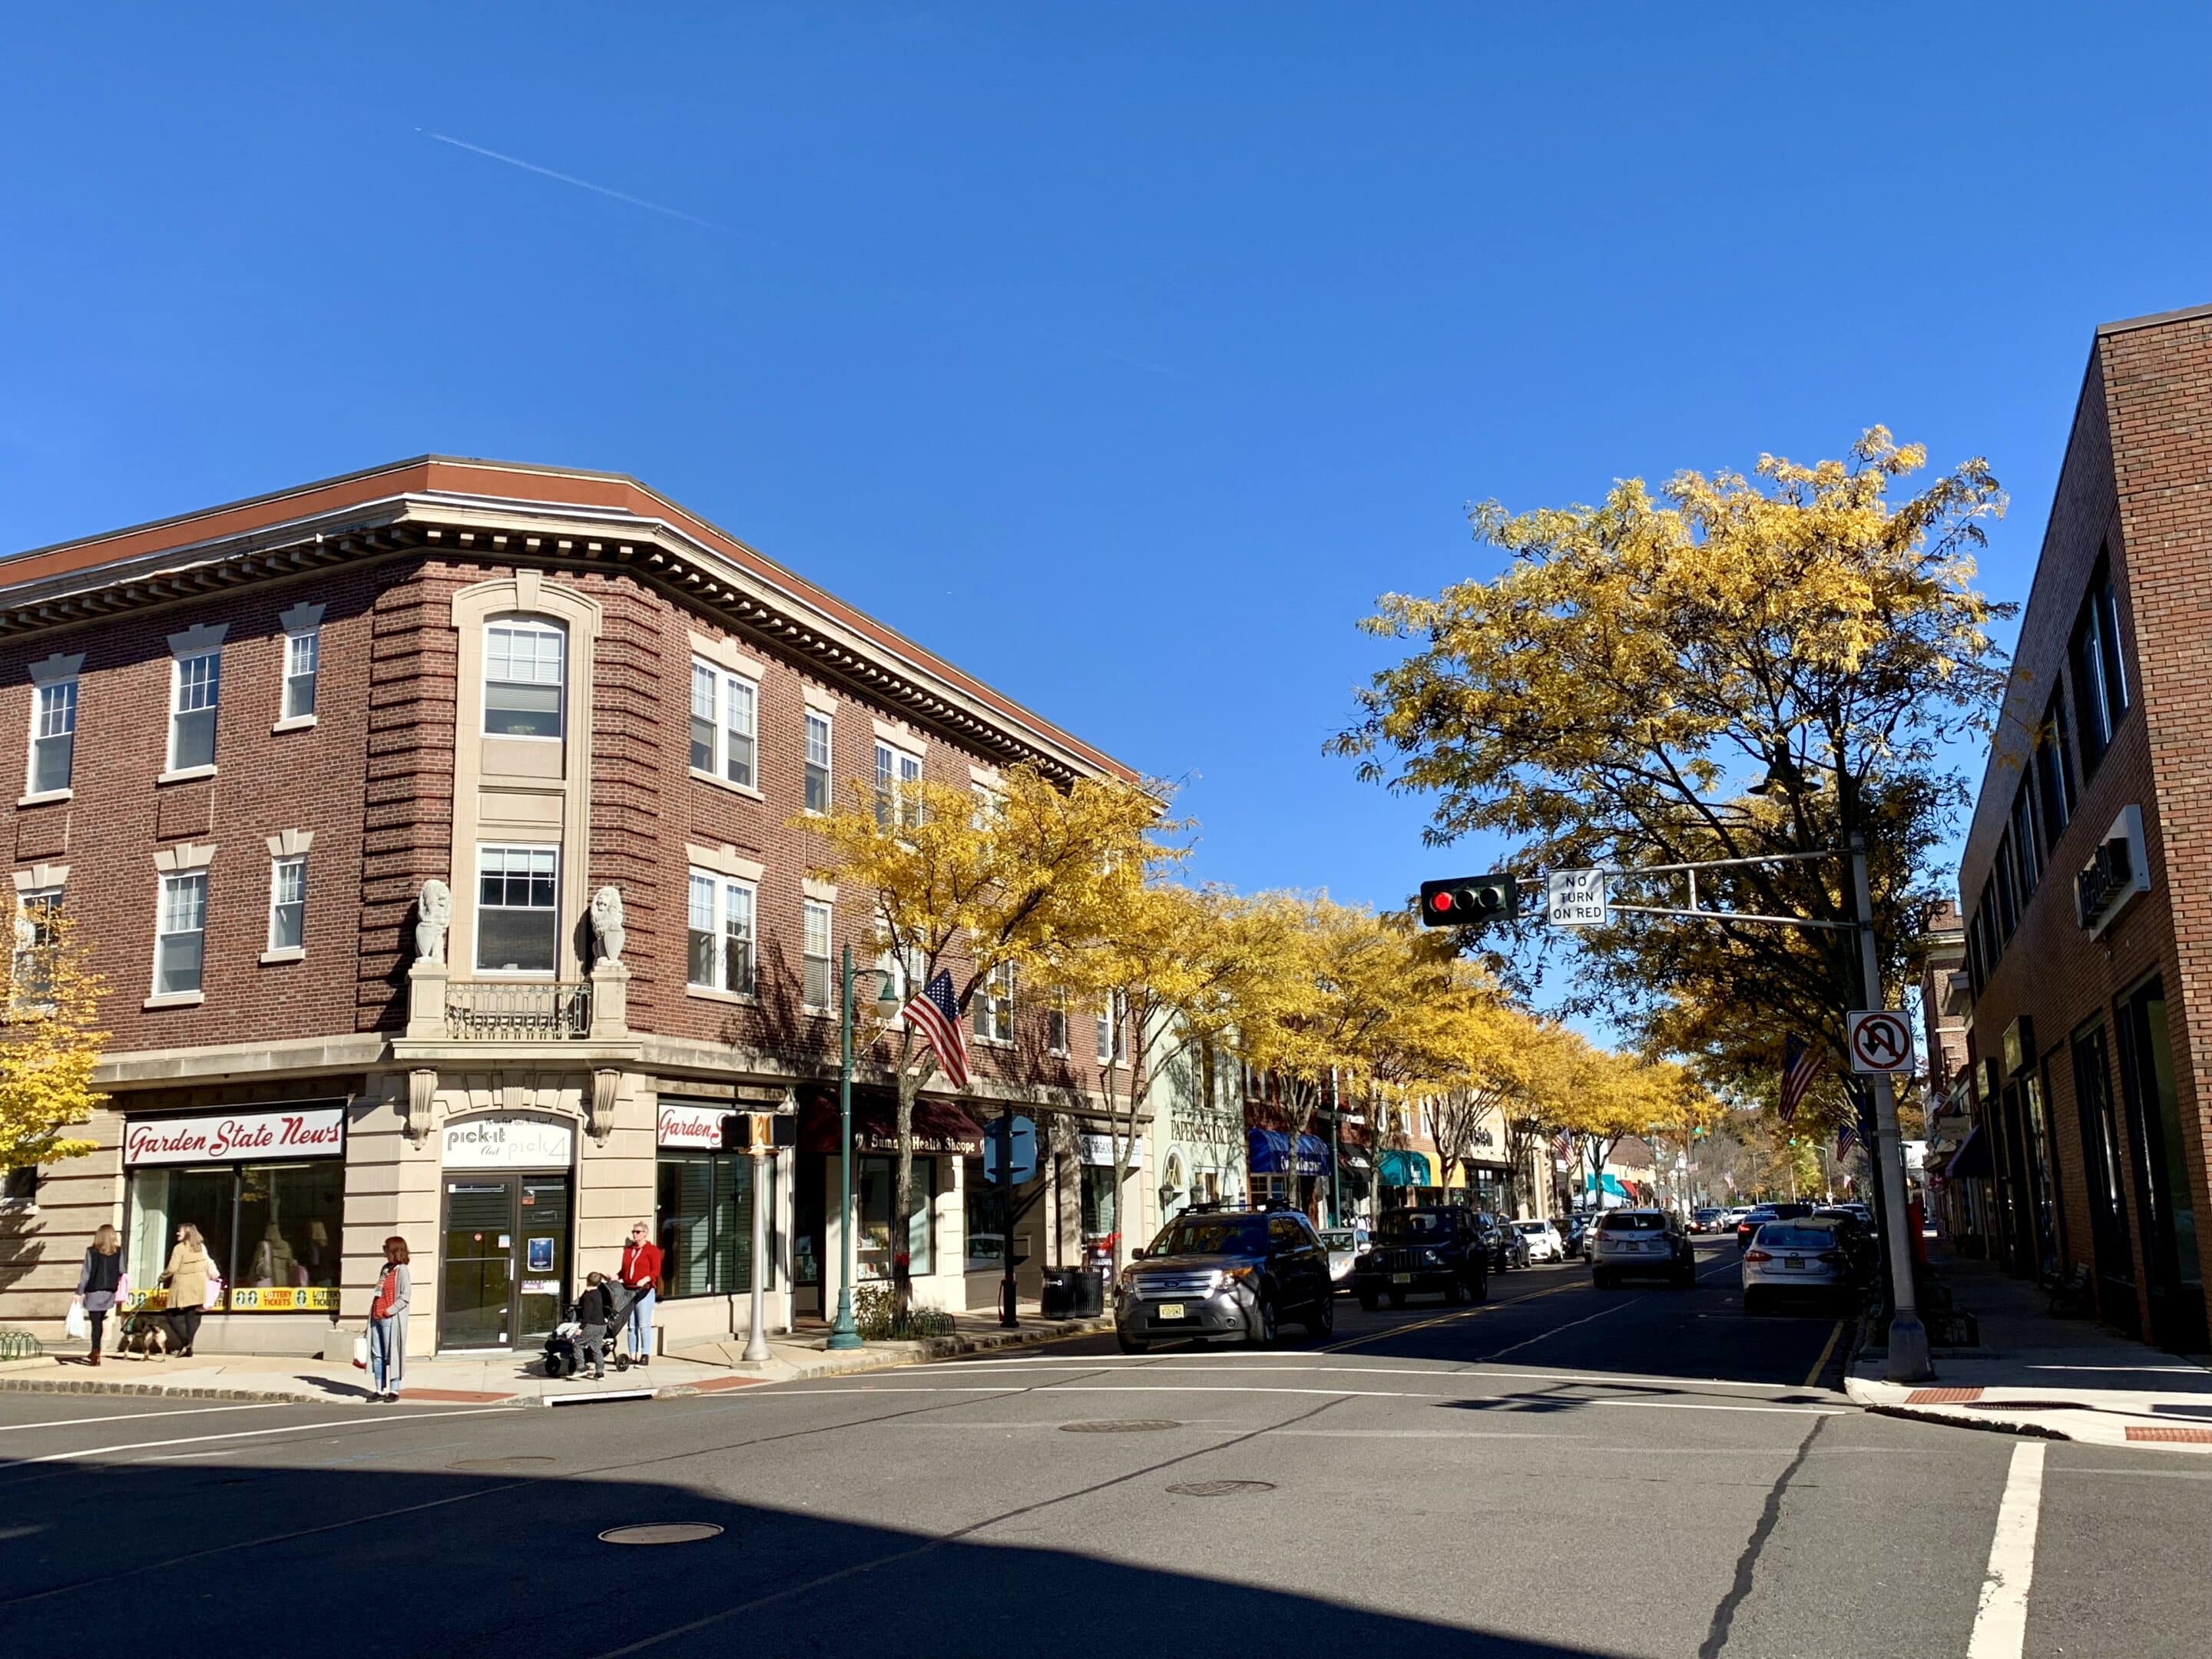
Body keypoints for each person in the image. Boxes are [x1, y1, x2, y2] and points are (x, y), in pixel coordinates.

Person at [74, 1224, 128, 1366]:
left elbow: (86, 1273)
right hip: (109, 1292)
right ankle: (96, 1351)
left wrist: (79, 1291)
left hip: (94, 1291)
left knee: (95, 1324)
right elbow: (122, 1270)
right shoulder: (118, 1252)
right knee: (100, 1321)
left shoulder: (91, 1251)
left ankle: (96, 1351)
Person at [161, 1223, 215, 1356]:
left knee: (171, 1314)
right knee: (191, 1315)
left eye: (180, 1231)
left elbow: (172, 1268)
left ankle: (185, 1342)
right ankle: (189, 1348)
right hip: (198, 1285)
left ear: (187, 1233)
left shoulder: (179, 1248)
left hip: (182, 1285)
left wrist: (162, 1277)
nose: (177, 1233)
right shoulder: (200, 1247)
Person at [367, 1236, 410, 1402]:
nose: (384, 1253)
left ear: (394, 1251)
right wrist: (376, 1312)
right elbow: (379, 1291)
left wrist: (389, 1311)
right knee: (377, 1355)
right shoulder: (385, 1269)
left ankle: (394, 1389)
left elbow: (405, 1296)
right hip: (376, 1317)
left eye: (386, 1249)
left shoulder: (403, 1271)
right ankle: (379, 1389)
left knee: (392, 1354)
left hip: (389, 1319)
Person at [618, 1221, 662, 1365]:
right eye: (633, 1232)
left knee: (643, 1324)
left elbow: (655, 1270)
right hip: (629, 1290)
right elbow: (624, 1270)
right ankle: (633, 1355)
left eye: (638, 1232)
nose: (635, 1234)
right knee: (631, 1325)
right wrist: (617, 1276)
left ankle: (645, 1354)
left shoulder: (652, 1250)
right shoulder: (628, 1250)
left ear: (645, 1233)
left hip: (645, 1291)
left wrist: (646, 1279)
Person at [573, 1271, 614, 1380]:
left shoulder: (588, 1295)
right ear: (599, 1283)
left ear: (587, 1281)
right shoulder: (598, 1293)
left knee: (577, 1344)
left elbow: (586, 1313)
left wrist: (581, 1328)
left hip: (591, 1324)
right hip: (602, 1325)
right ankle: (600, 1373)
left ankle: (581, 1367)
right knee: (596, 1348)